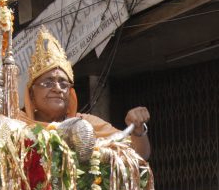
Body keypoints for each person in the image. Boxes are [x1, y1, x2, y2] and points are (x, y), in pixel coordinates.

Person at [22, 27, 151, 158]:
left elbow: (138, 154)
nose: (57, 88)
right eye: (47, 83)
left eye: (63, 83)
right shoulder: (18, 126)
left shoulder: (87, 124)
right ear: (31, 95)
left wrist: (137, 130)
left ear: (71, 93)